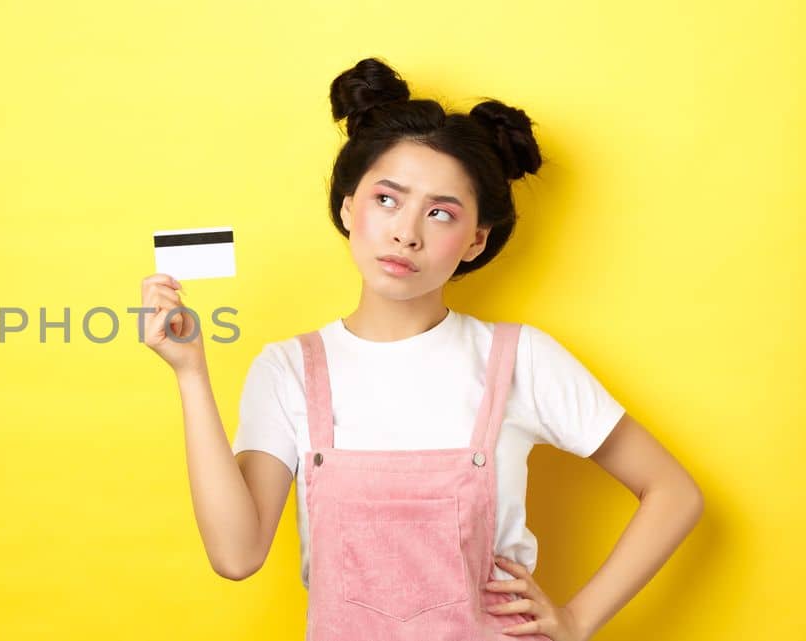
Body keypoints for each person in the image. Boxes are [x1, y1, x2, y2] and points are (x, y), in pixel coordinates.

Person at [139, 57, 703, 640]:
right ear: (347, 207)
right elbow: (236, 556)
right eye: (387, 199)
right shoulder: (289, 370)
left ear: (475, 241)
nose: (407, 232)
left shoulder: (521, 360)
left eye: (440, 213)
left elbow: (673, 492)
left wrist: (579, 619)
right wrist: (190, 374)